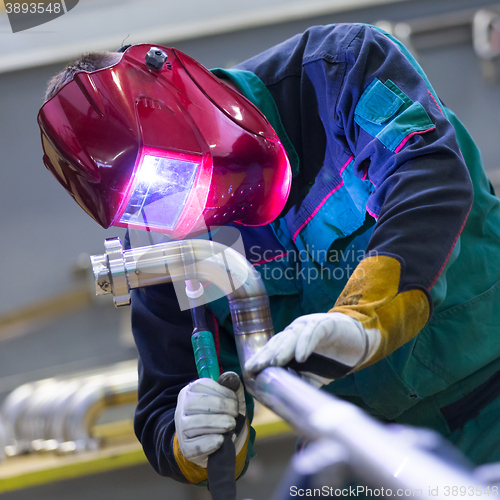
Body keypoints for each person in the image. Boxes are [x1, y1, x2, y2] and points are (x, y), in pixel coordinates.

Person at [38, 23, 500, 488]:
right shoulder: (161, 234)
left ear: (179, 94)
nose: (183, 207)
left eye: (177, 175)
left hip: (489, 390)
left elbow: (427, 174)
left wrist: (366, 318)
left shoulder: (340, 69)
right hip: (360, 443)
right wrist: (194, 438)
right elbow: (165, 399)